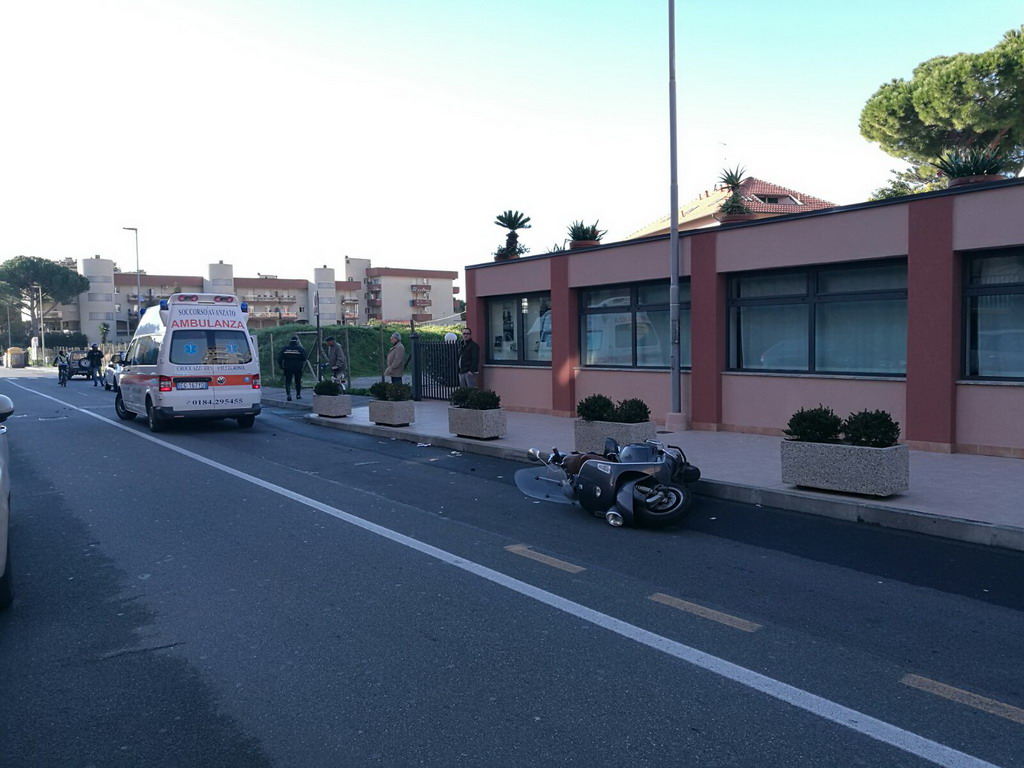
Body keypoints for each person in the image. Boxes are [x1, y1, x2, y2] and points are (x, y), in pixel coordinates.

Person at [277, 335, 308, 401]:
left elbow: (280, 358)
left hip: (288, 367)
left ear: (290, 341)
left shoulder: (285, 348)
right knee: (298, 381)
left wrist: (281, 366)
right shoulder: (300, 349)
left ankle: (288, 395)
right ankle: (298, 395)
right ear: (297, 341)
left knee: (288, 381)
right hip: (298, 367)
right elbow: (304, 358)